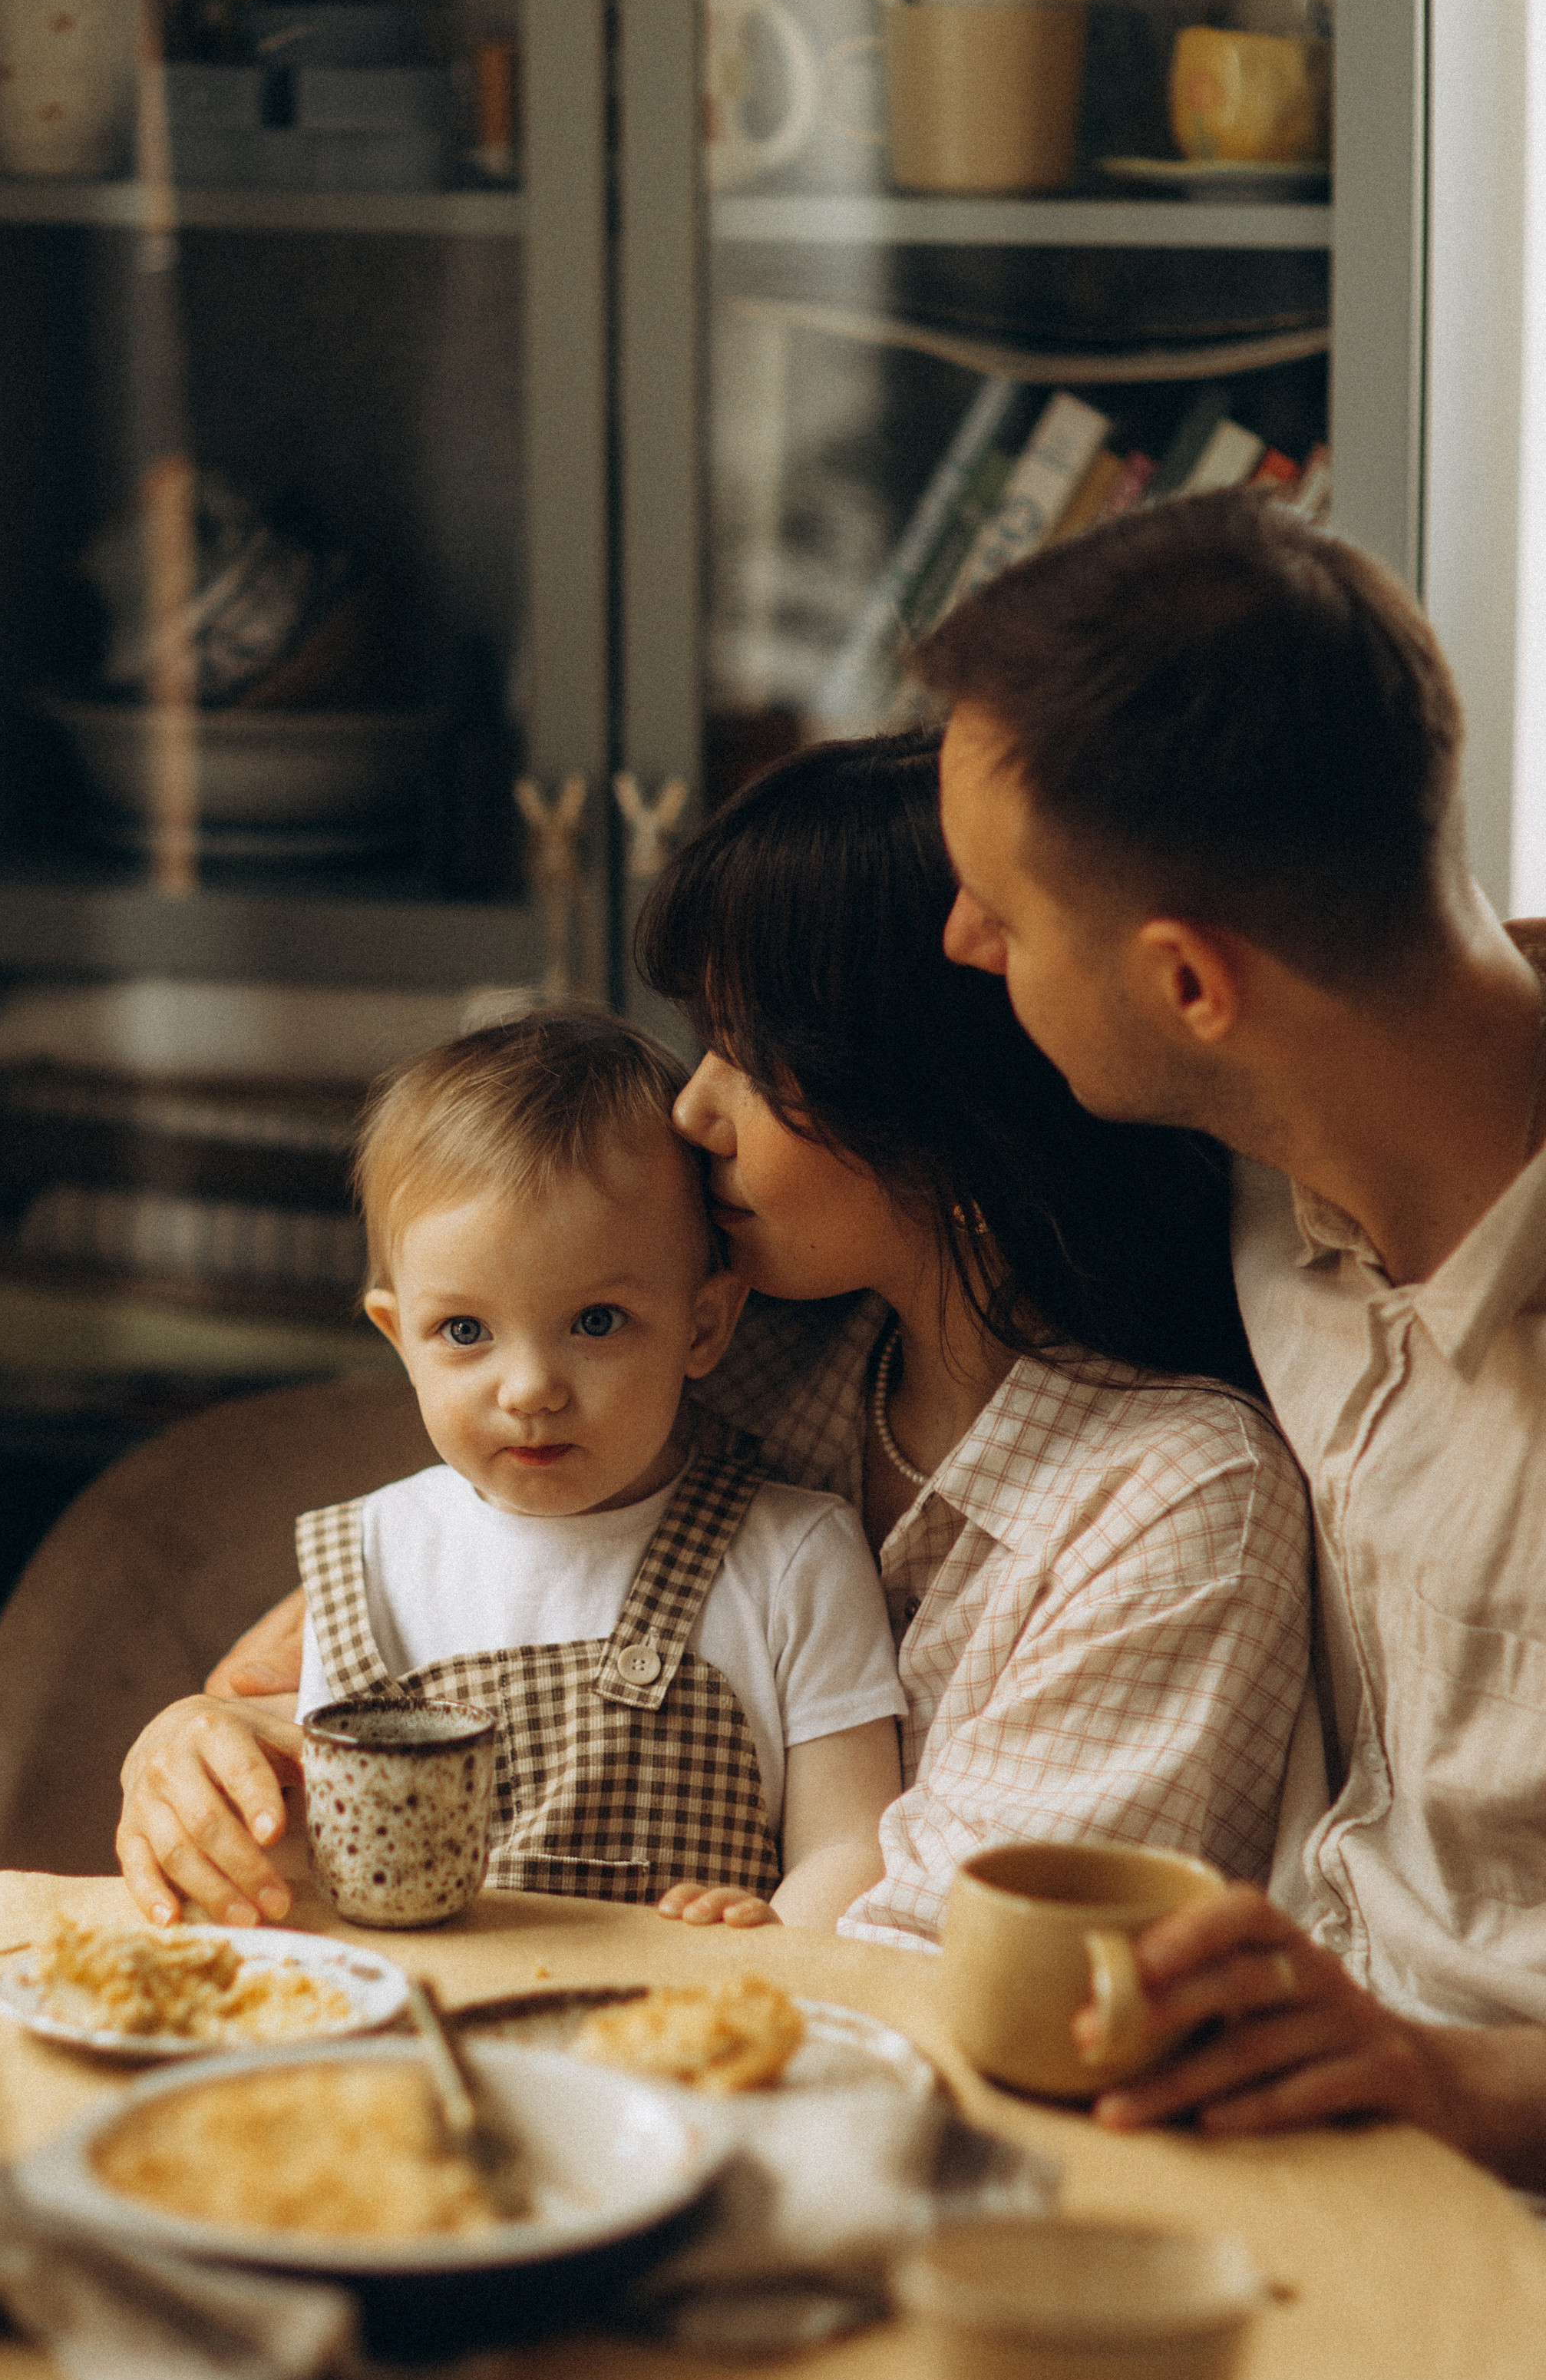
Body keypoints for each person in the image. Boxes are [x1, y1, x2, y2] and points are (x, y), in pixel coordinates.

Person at [116, 735, 1313, 1948]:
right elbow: (363, 1651)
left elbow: (934, 1972)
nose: (693, 1107)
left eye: (749, 1057)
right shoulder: (752, 1339)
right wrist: (195, 1748)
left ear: (941, 1119)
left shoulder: (1174, 1509)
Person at [910, 484, 1546, 2180]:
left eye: (1002, 911)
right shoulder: (1251, 1158)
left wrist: (1443, 2081)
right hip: (1237, 2139)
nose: (960, 943)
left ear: (1190, 985)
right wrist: (279, 1671)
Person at [290, 1011, 907, 1924]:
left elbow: (853, 1846)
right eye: (464, 1332)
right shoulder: (369, 1556)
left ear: (702, 1326)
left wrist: (774, 1935)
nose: (532, 1389)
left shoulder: (792, 1555)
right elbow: (315, 1861)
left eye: (596, 1323)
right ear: (398, 1336)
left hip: (687, 2042)